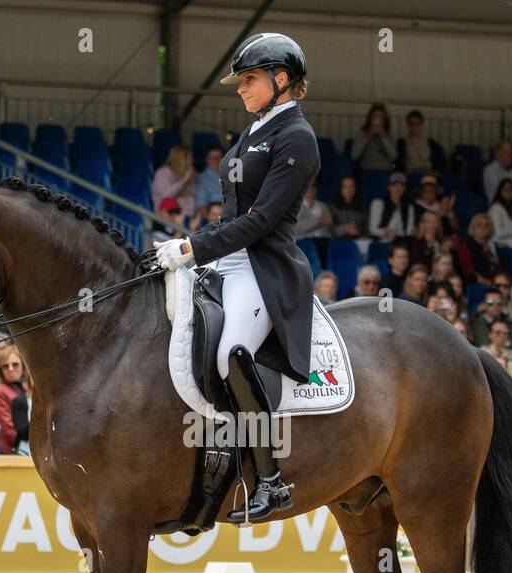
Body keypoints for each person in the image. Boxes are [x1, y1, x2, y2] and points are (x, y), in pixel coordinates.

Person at [153, 33, 318, 521]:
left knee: (231, 355)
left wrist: (190, 246)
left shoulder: (296, 136)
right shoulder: (256, 128)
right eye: (241, 81)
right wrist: (193, 247)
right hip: (227, 255)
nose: (241, 89)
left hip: (262, 266)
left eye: (248, 79)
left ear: (280, 79)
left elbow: (262, 220)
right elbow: (231, 214)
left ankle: (270, 480)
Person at [0, 346, 31, 455]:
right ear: (1, 370)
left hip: (29, 445)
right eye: (5, 366)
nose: (10, 369)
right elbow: (7, 426)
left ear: (23, 366)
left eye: (15, 364)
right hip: (11, 449)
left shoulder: (26, 388)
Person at [151, 144, 196, 221]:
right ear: (181, 160)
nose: (192, 161)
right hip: (165, 219)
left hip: (185, 218)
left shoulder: (188, 174)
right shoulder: (163, 172)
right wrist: (184, 180)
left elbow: (191, 199)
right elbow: (166, 195)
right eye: (189, 158)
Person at [329, 175, 370, 255]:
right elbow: (330, 230)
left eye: (352, 187)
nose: (349, 190)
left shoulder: (361, 208)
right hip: (340, 244)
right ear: (340, 189)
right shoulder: (332, 208)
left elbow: (366, 230)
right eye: (345, 187)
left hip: (359, 244)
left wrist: (363, 235)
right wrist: (345, 229)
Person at [395, 109, 445, 174]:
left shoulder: (432, 144)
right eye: (411, 124)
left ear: (421, 124)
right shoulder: (401, 144)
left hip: (428, 175)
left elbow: (438, 164)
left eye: (417, 124)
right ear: (408, 125)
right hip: (409, 176)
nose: (414, 127)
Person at [350, 103, 396, 172]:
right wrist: (368, 135)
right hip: (367, 171)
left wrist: (382, 136)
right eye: (375, 116)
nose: (378, 119)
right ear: (370, 118)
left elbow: (394, 157)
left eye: (380, 116)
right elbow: (354, 155)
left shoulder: (389, 136)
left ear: (384, 119)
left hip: (384, 171)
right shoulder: (362, 134)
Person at [369, 172, 415, 241]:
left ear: (404, 189)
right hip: (381, 241)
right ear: (389, 187)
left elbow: (408, 231)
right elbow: (373, 229)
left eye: (401, 186)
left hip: (401, 242)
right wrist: (385, 232)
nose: (398, 189)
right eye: (394, 185)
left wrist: (395, 233)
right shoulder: (378, 203)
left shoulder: (409, 207)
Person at [481, 317, 512, 382]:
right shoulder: (483, 352)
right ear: (490, 335)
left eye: (505, 333)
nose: (502, 335)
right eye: (498, 332)